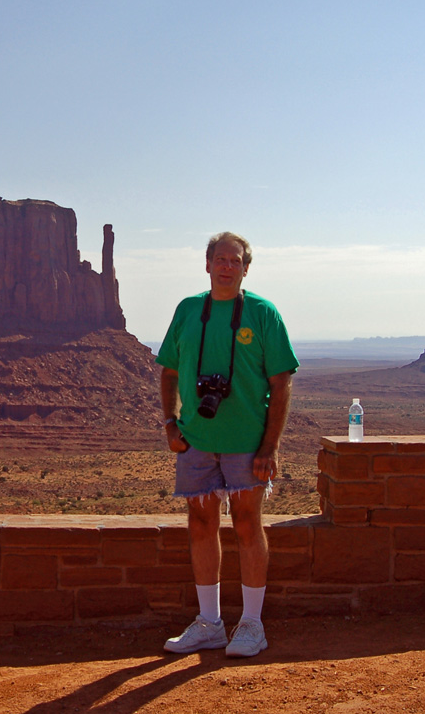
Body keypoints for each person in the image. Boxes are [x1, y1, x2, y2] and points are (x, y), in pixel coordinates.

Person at [156, 231, 298, 658]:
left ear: (245, 268)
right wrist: (169, 424)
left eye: (234, 260)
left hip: (246, 444)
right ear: (207, 264)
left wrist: (269, 447)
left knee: (246, 525)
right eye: (219, 258)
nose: (226, 266)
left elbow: (281, 381)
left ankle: (252, 625)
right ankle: (209, 623)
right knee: (200, 525)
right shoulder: (188, 310)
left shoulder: (262, 313)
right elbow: (167, 372)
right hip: (196, 442)